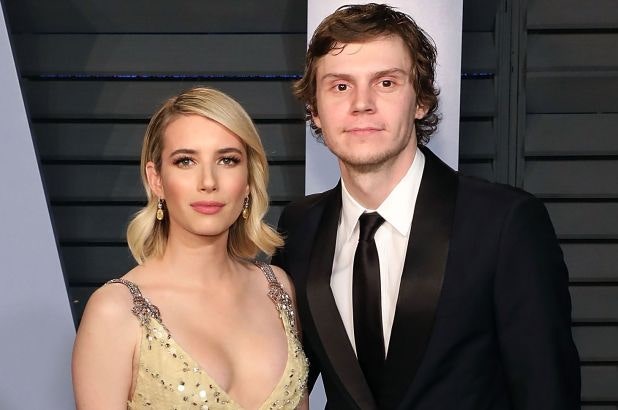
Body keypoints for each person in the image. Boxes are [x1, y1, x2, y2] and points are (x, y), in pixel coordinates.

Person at [271, 3, 580, 409]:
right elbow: (282, 381)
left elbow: (547, 394)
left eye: (386, 83)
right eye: (340, 86)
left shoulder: (505, 223)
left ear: (421, 101)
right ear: (314, 109)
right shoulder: (300, 227)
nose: (361, 103)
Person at [72, 87, 309, 410]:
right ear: (156, 180)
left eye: (227, 160)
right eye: (185, 161)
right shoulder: (114, 311)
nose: (208, 181)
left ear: (248, 180)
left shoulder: (277, 287)